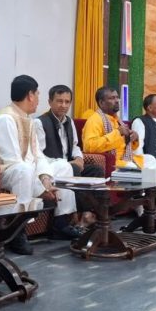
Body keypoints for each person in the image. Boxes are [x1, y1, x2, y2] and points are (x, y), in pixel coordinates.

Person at [0, 75, 82, 255]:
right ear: (30, 95)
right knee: (23, 170)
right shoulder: (5, 119)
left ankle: (61, 223)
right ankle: (16, 229)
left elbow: (37, 154)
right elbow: (13, 161)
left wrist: (46, 178)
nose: (39, 99)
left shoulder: (27, 119)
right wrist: (40, 188)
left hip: (19, 170)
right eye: (38, 94)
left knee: (62, 165)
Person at [82, 86, 156, 218]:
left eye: (117, 97)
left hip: (127, 158)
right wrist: (117, 133)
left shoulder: (117, 119)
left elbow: (127, 146)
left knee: (151, 160)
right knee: (139, 171)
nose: (117, 100)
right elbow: (90, 147)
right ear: (101, 102)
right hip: (114, 163)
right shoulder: (95, 120)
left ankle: (152, 203)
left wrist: (134, 138)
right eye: (112, 98)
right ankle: (143, 210)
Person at [34, 85, 102, 227]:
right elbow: (38, 155)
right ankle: (76, 217)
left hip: (69, 165)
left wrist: (79, 158)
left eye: (67, 101)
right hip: (51, 169)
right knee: (73, 169)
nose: (63, 105)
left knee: (96, 171)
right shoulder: (39, 123)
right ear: (50, 102)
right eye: (59, 101)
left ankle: (89, 214)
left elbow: (75, 145)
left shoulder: (69, 121)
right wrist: (69, 164)